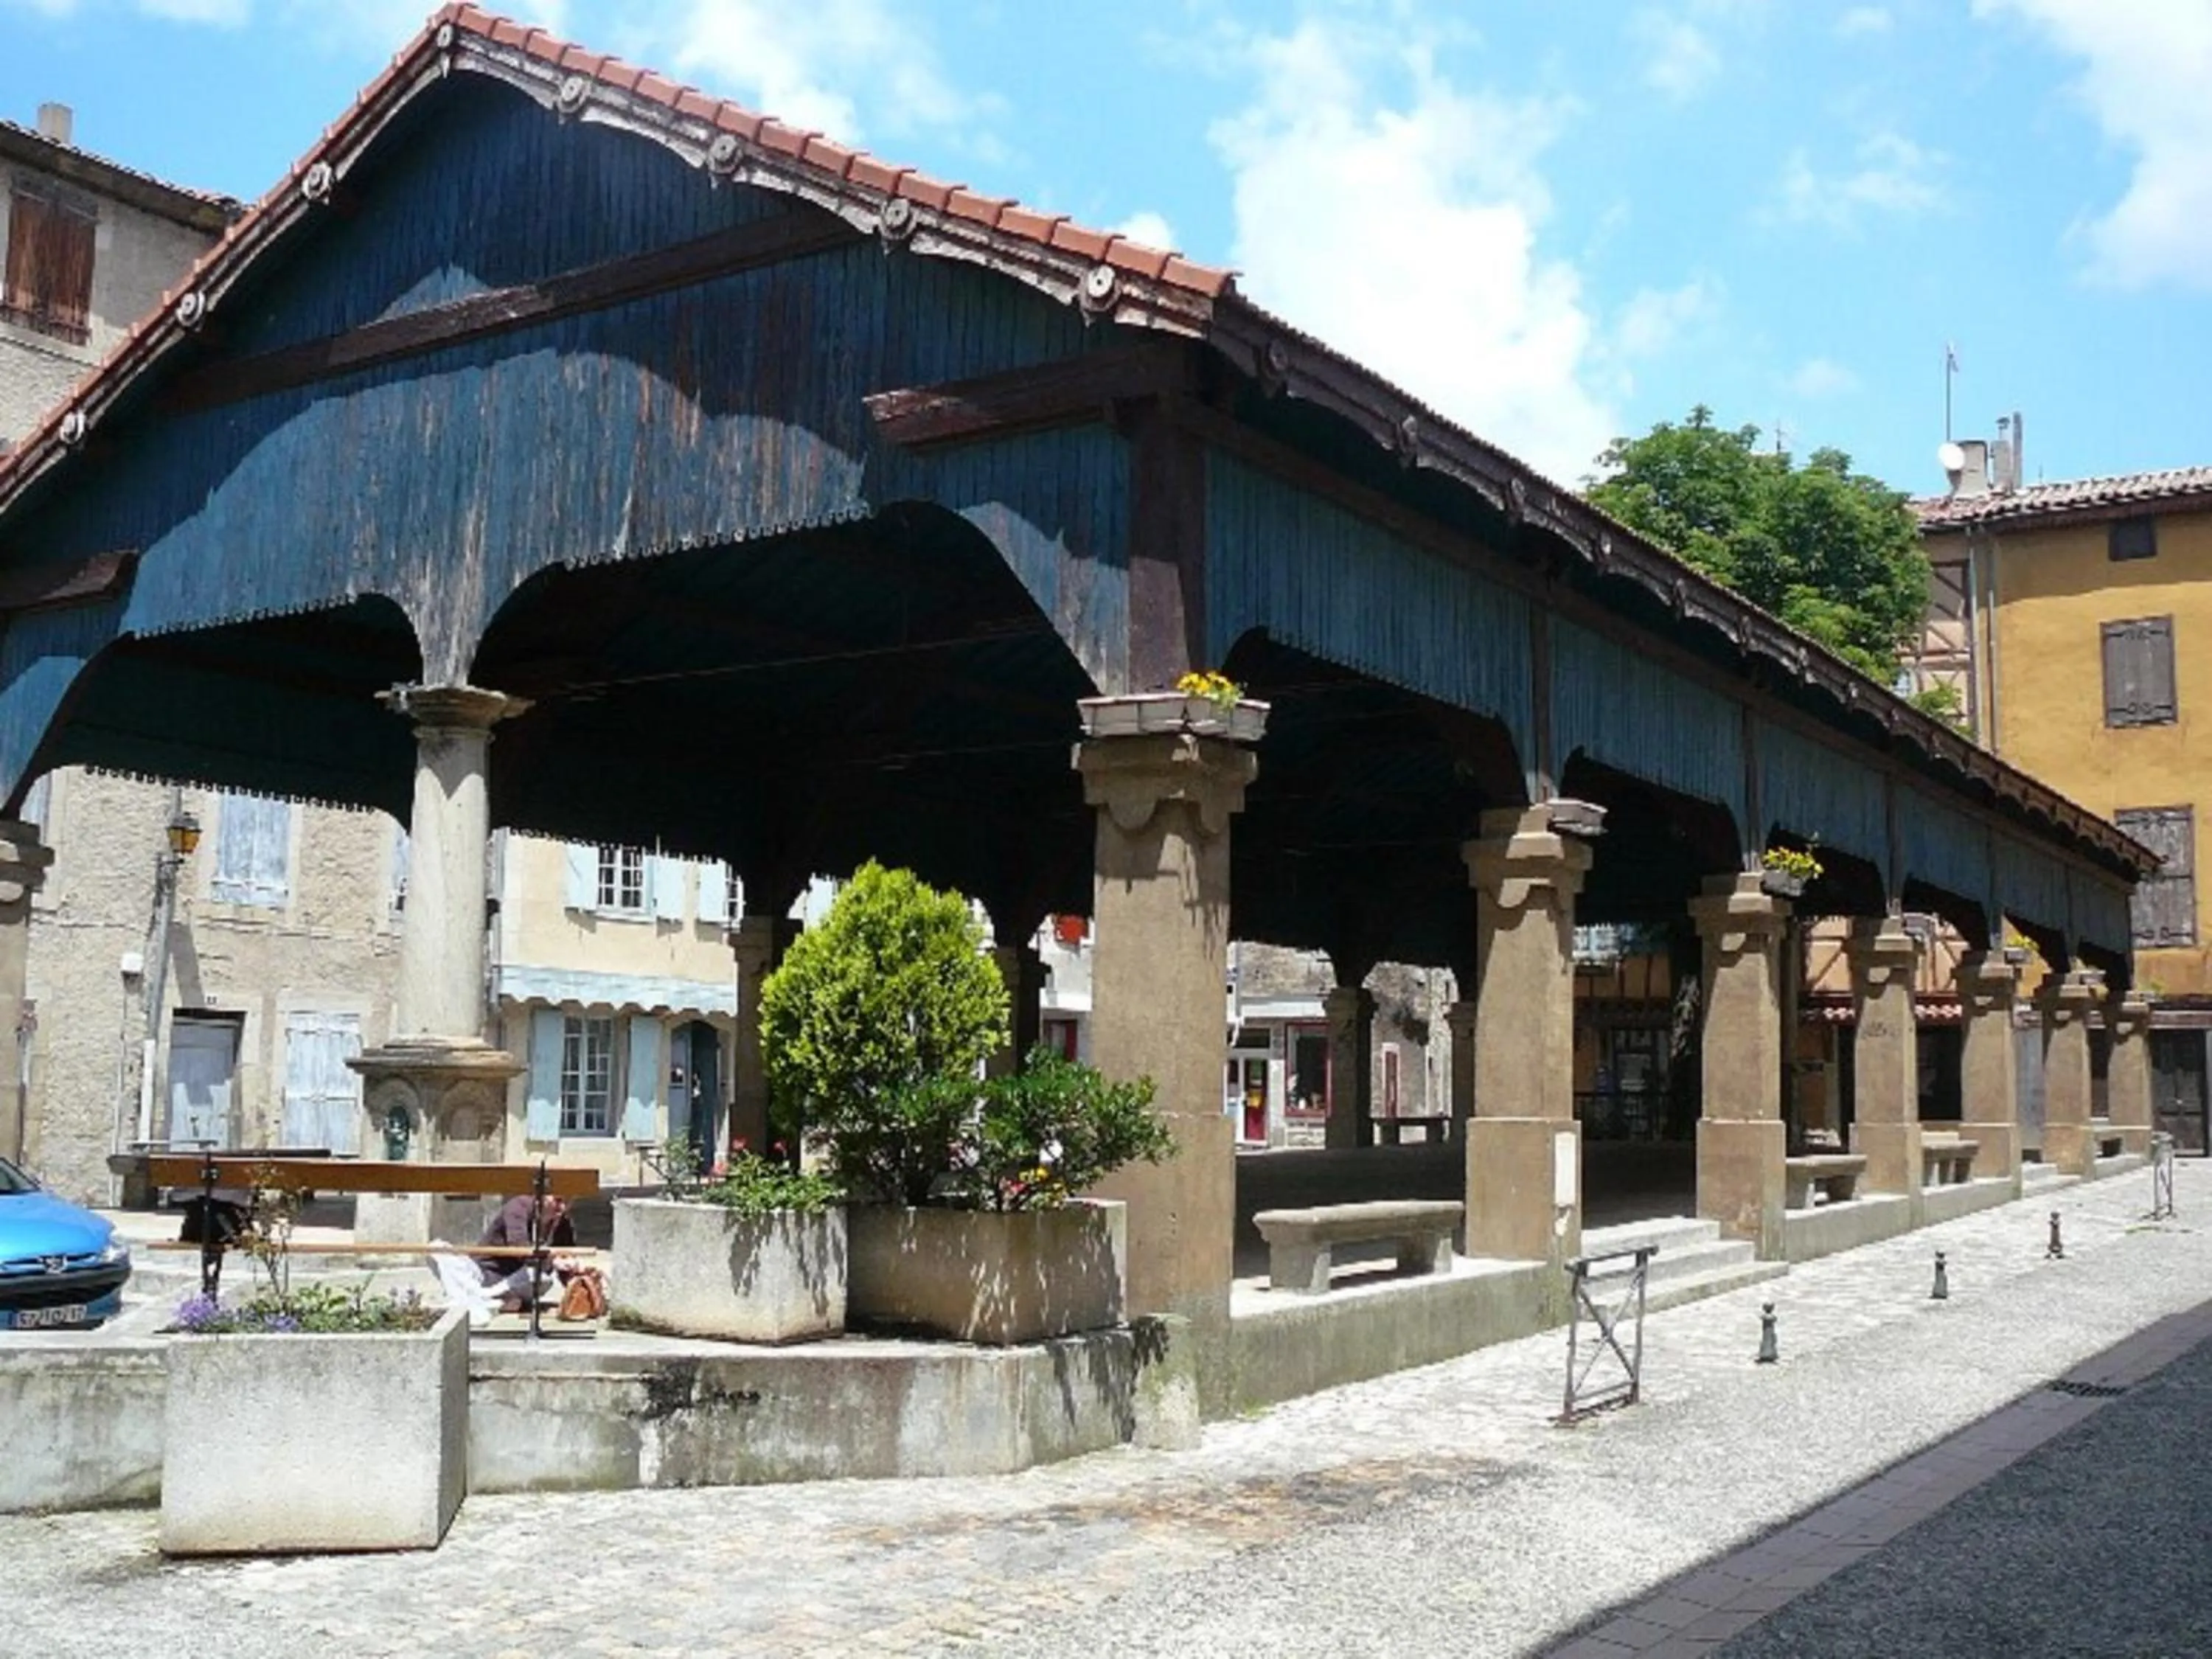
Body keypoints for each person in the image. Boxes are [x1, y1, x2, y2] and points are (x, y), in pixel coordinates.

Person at [472, 1192, 577, 1313]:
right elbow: (519, 1248)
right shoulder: (518, 1207)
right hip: (491, 1272)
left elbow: (565, 1254)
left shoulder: (562, 1221)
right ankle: (486, 1296)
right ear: (543, 1196)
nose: (562, 1207)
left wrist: (574, 1278)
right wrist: (552, 1261)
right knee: (537, 1277)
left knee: (543, 1280)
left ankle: (506, 1300)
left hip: (520, 1275)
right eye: (558, 1200)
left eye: (568, 1202)